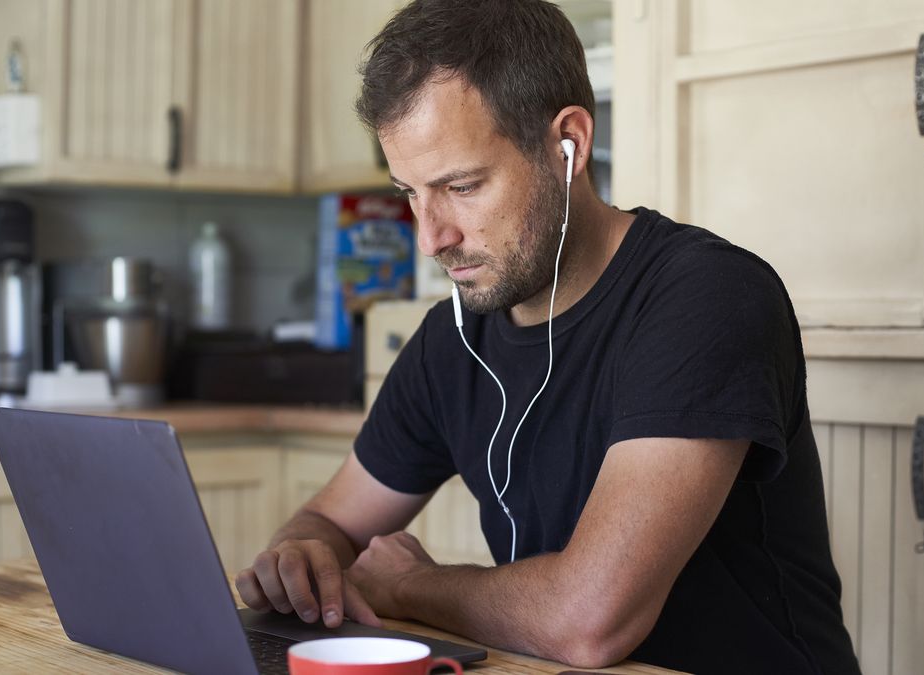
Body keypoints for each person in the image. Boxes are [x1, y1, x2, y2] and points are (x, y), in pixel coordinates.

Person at [236, 1, 860, 672]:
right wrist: (302, 554)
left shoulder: (706, 297)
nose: (431, 238)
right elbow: (331, 522)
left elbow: (589, 621)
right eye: (410, 193)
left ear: (569, 143)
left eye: (462, 185)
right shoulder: (454, 337)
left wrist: (407, 584)